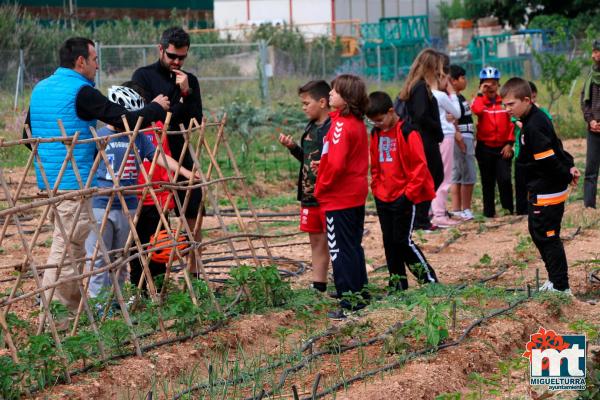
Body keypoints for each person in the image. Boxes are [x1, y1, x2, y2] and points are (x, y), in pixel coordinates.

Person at [24, 37, 169, 315]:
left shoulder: (40, 89)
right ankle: (58, 314)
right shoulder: (81, 92)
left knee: (67, 243)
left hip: (50, 181)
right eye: (94, 60)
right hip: (75, 182)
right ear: (81, 62)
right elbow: (122, 118)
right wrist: (155, 108)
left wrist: (53, 158)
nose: (97, 66)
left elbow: (28, 137)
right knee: (69, 249)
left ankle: (67, 309)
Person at [85, 83, 197, 302]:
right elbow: (84, 166)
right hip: (100, 204)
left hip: (127, 204)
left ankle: (115, 302)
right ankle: (98, 303)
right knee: (99, 257)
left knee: (121, 257)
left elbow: (160, 157)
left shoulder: (138, 137)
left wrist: (184, 171)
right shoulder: (98, 137)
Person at [132, 26, 204, 273]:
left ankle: (194, 270)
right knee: (154, 211)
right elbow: (149, 116)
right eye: (172, 56)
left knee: (193, 207)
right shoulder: (143, 76)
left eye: (181, 57)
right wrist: (175, 109)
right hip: (153, 153)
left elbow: (195, 118)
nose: (176, 61)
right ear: (160, 49)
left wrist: (185, 93)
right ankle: (154, 271)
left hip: (180, 150)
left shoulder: (189, 80)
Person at [501, 77, 580, 294]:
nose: (507, 109)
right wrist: (570, 164)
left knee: (548, 236)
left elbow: (548, 158)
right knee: (538, 233)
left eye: (511, 104)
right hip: (541, 188)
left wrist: (566, 172)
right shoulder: (532, 119)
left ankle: (561, 286)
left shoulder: (534, 125)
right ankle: (554, 280)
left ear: (526, 100)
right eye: (504, 104)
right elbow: (557, 145)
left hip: (547, 190)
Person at [366, 91, 439, 291]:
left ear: (391, 112)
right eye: (373, 122)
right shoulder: (376, 133)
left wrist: (408, 196)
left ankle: (429, 280)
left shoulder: (408, 132)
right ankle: (397, 284)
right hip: (383, 197)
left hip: (404, 197)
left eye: (380, 120)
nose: (377, 124)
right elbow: (375, 166)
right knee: (389, 242)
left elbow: (420, 167)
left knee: (402, 241)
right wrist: (377, 189)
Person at [314, 74, 369, 319]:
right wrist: (323, 165)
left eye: (335, 92)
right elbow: (337, 158)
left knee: (338, 249)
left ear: (346, 99)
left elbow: (336, 165)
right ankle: (360, 292)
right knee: (353, 246)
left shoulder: (340, 125)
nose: (330, 95)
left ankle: (349, 301)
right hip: (354, 194)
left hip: (339, 196)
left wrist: (322, 185)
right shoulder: (355, 122)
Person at [278, 80, 331, 293]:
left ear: (322, 102)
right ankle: (319, 286)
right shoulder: (311, 126)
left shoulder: (332, 129)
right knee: (316, 241)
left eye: (306, 103)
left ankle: (348, 285)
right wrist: (293, 148)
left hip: (328, 196)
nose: (303, 107)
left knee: (333, 242)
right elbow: (308, 160)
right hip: (309, 196)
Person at [397, 48, 445, 231]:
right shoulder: (420, 88)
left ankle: (419, 217)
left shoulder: (417, 86)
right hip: (424, 139)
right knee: (433, 176)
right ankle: (419, 218)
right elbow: (421, 115)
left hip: (421, 138)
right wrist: (437, 128)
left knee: (428, 177)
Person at [471, 66, 514, 218]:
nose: (491, 87)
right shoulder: (478, 101)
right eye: (486, 84)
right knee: (487, 181)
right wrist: (480, 94)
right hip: (485, 148)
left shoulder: (505, 102)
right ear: (481, 85)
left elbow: (512, 123)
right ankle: (489, 212)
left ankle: (508, 209)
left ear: (498, 85)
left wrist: (509, 143)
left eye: (494, 84)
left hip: (503, 147)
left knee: (504, 179)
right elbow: (477, 111)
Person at [513, 81, 552, 215]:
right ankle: (521, 209)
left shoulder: (541, 113)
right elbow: (519, 123)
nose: (533, 100)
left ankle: (535, 207)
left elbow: (547, 122)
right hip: (520, 153)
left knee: (535, 183)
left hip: (536, 154)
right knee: (521, 183)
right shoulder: (518, 113)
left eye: (534, 97)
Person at [431, 69, 461, 228]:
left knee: (433, 175)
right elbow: (457, 112)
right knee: (444, 176)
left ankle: (432, 211)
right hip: (446, 136)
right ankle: (439, 214)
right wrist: (452, 93)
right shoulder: (441, 95)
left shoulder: (427, 94)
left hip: (432, 137)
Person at [448, 64, 476, 221]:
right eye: (462, 78)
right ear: (453, 81)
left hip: (463, 136)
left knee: (457, 173)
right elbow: (454, 118)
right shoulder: (454, 99)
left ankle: (457, 209)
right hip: (462, 137)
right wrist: (459, 136)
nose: (465, 81)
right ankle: (465, 209)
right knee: (468, 174)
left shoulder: (458, 97)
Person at [581, 39, 600, 209]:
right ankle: (589, 207)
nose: (594, 55)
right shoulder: (591, 77)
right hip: (594, 129)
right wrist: (591, 120)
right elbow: (584, 102)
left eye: (597, 51)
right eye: (593, 51)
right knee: (591, 170)